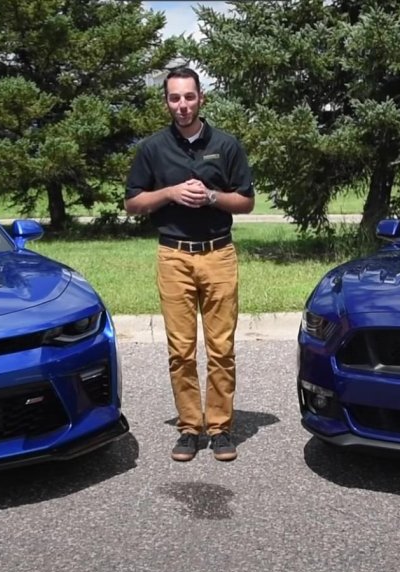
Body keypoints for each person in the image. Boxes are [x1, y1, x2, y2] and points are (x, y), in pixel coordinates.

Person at [124, 67, 255, 462]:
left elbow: (246, 202)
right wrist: (170, 193)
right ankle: (188, 428)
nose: (182, 105)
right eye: (174, 98)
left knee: (221, 348)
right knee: (180, 350)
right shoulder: (152, 148)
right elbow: (132, 204)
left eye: (189, 97)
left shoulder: (226, 145)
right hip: (173, 256)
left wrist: (211, 197)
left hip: (218, 255)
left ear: (201, 98)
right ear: (167, 102)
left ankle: (220, 428)